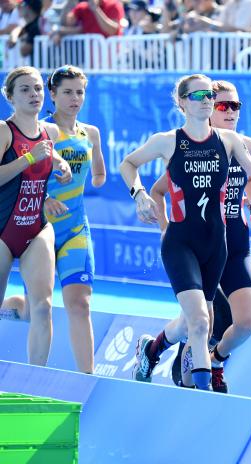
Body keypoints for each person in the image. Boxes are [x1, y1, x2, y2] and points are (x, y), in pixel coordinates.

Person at [120, 74, 251, 391]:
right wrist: (163, 227)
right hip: (192, 243)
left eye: (235, 105)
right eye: (222, 103)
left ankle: (210, 360)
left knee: (244, 323)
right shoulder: (181, 145)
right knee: (200, 321)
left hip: (233, 246)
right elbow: (157, 189)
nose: (228, 110)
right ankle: (188, 378)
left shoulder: (245, 147)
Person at [1, 65, 106, 374]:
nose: (75, 98)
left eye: (80, 92)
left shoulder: (72, 133)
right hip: (15, 226)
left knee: (62, 304)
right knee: (31, 307)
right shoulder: (19, 129)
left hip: (56, 228)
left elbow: (82, 168)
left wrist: (67, 168)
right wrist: (43, 190)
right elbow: (30, 166)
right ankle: (13, 308)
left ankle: (66, 379)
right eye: (67, 92)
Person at [0, 66, 72, 366]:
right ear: (11, 98)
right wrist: (29, 158)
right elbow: (28, 157)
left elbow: (47, 152)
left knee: (42, 308)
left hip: (36, 229)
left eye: (38, 88)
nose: (34, 94)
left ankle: (35, 384)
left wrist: (60, 164)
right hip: (2, 231)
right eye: (25, 90)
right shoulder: (4, 130)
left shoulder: (50, 131)